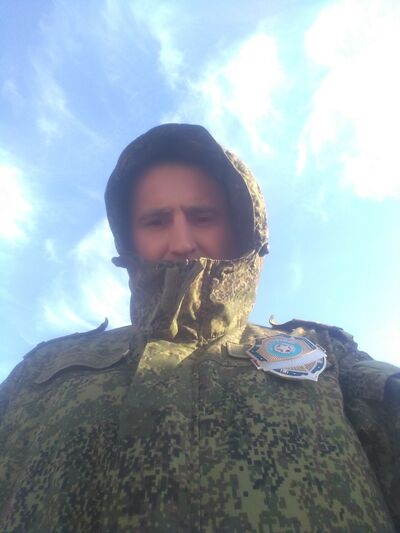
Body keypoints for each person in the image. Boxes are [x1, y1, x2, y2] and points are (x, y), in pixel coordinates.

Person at [0, 123, 399, 532]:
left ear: (241, 228)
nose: (181, 241)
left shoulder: (325, 356)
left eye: (202, 217)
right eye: (156, 221)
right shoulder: (46, 369)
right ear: (130, 240)